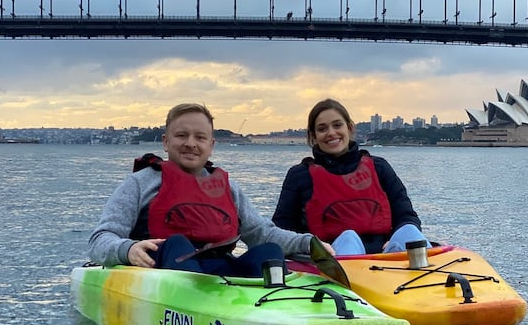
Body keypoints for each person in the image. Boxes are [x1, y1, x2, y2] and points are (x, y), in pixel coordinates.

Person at [88, 102, 332, 277]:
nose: (191, 143)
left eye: (200, 137)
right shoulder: (141, 183)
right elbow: (100, 240)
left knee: (269, 252)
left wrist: (308, 243)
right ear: (165, 142)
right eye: (181, 135)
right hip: (163, 277)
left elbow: (263, 234)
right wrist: (127, 249)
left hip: (216, 275)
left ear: (211, 145)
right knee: (178, 245)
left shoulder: (228, 188)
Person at [273, 98, 430, 256]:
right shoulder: (300, 176)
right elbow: (282, 230)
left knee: (410, 231)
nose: (331, 133)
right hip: (334, 259)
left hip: (386, 257)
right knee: (349, 238)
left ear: (349, 128)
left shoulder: (379, 167)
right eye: (322, 129)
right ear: (313, 136)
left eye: (337, 125)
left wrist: (395, 241)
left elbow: (406, 215)